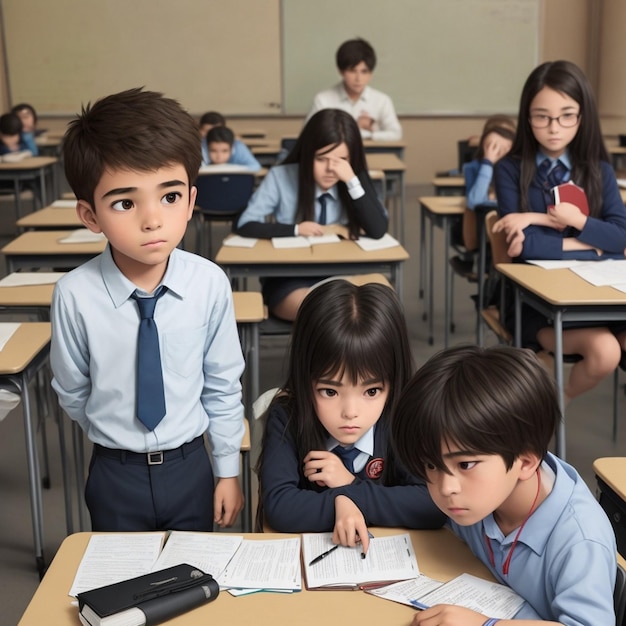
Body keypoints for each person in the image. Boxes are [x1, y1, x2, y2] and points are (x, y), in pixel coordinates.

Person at [50, 88, 245, 533]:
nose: (152, 219)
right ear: (90, 215)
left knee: (193, 585)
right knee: (121, 586)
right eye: (124, 203)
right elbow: (73, 390)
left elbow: (221, 382)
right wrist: (117, 433)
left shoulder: (209, 283)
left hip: (190, 465)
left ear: (192, 201)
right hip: (115, 472)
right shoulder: (74, 295)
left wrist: (228, 468)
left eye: (170, 197)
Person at [391, 344, 617, 625]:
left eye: (465, 465)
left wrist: (486, 625)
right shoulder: (484, 489)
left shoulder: (579, 540)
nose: (445, 487)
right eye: (431, 465)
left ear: (525, 462)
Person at [257, 280, 445, 551]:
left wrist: (349, 488)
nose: (351, 413)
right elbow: (280, 506)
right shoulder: (287, 416)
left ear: (394, 382)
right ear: (304, 377)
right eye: (330, 392)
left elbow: (432, 504)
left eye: (371, 391)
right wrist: (340, 503)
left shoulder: (402, 417)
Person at [492, 60, 626, 403]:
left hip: (601, 292)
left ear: (582, 117)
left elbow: (621, 237)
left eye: (567, 115)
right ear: (527, 117)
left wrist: (574, 221)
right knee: (606, 351)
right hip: (533, 298)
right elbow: (523, 249)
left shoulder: (599, 169)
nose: (555, 127)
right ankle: (557, 404)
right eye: (542, 116)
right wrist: (594, 244)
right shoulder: (510, 169)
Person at [236, 108, 388, 321]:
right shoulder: (282, 176)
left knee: (375, 309)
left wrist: (352, 181)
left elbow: (378, 228)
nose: (330, 169)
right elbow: (245, 223)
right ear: (307, 154)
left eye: (341, 160)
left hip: (343, 272)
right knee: (332, 316)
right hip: (290, 278)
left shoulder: (352, 177)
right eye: (321, 159)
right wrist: (295, 229)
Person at [306, 38, 402, 141]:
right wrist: (355, 129)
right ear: (341, 71)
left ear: (371, 74)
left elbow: (396, 134)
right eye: (352, 71)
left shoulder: (382, 100)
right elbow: (308, 134)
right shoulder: (323, 100)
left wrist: (370, 134)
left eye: (364, 71)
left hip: (371, 154)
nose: (358, 78)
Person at [461, 115, 515, 251]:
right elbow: (475, 202)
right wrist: (488, 163)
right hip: (483, 233)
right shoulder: (473, 168)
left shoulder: (517, 169)